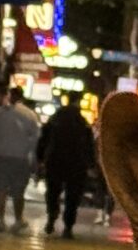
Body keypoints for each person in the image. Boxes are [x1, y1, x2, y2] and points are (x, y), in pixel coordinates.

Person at [36, 90, 97, 237]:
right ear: (78, 101)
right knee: (72, 196)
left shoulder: (55, 119)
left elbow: (43, 140)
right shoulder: (82, 122)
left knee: (53, 192)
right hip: (76, 164)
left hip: (55, 160)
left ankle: (52, 216)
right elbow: (88, 146)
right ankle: (68, 226)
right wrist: (91, 165)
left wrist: (40, 158)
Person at [0, 86, 40, 231]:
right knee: (18, 191)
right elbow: (35, 139)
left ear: (9, 96)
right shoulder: (30, 115)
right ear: (22, 97)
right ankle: (18, 220)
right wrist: (33, 159)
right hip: (20, 158)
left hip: (1, 155)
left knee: (0, 189)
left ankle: (0, 220)